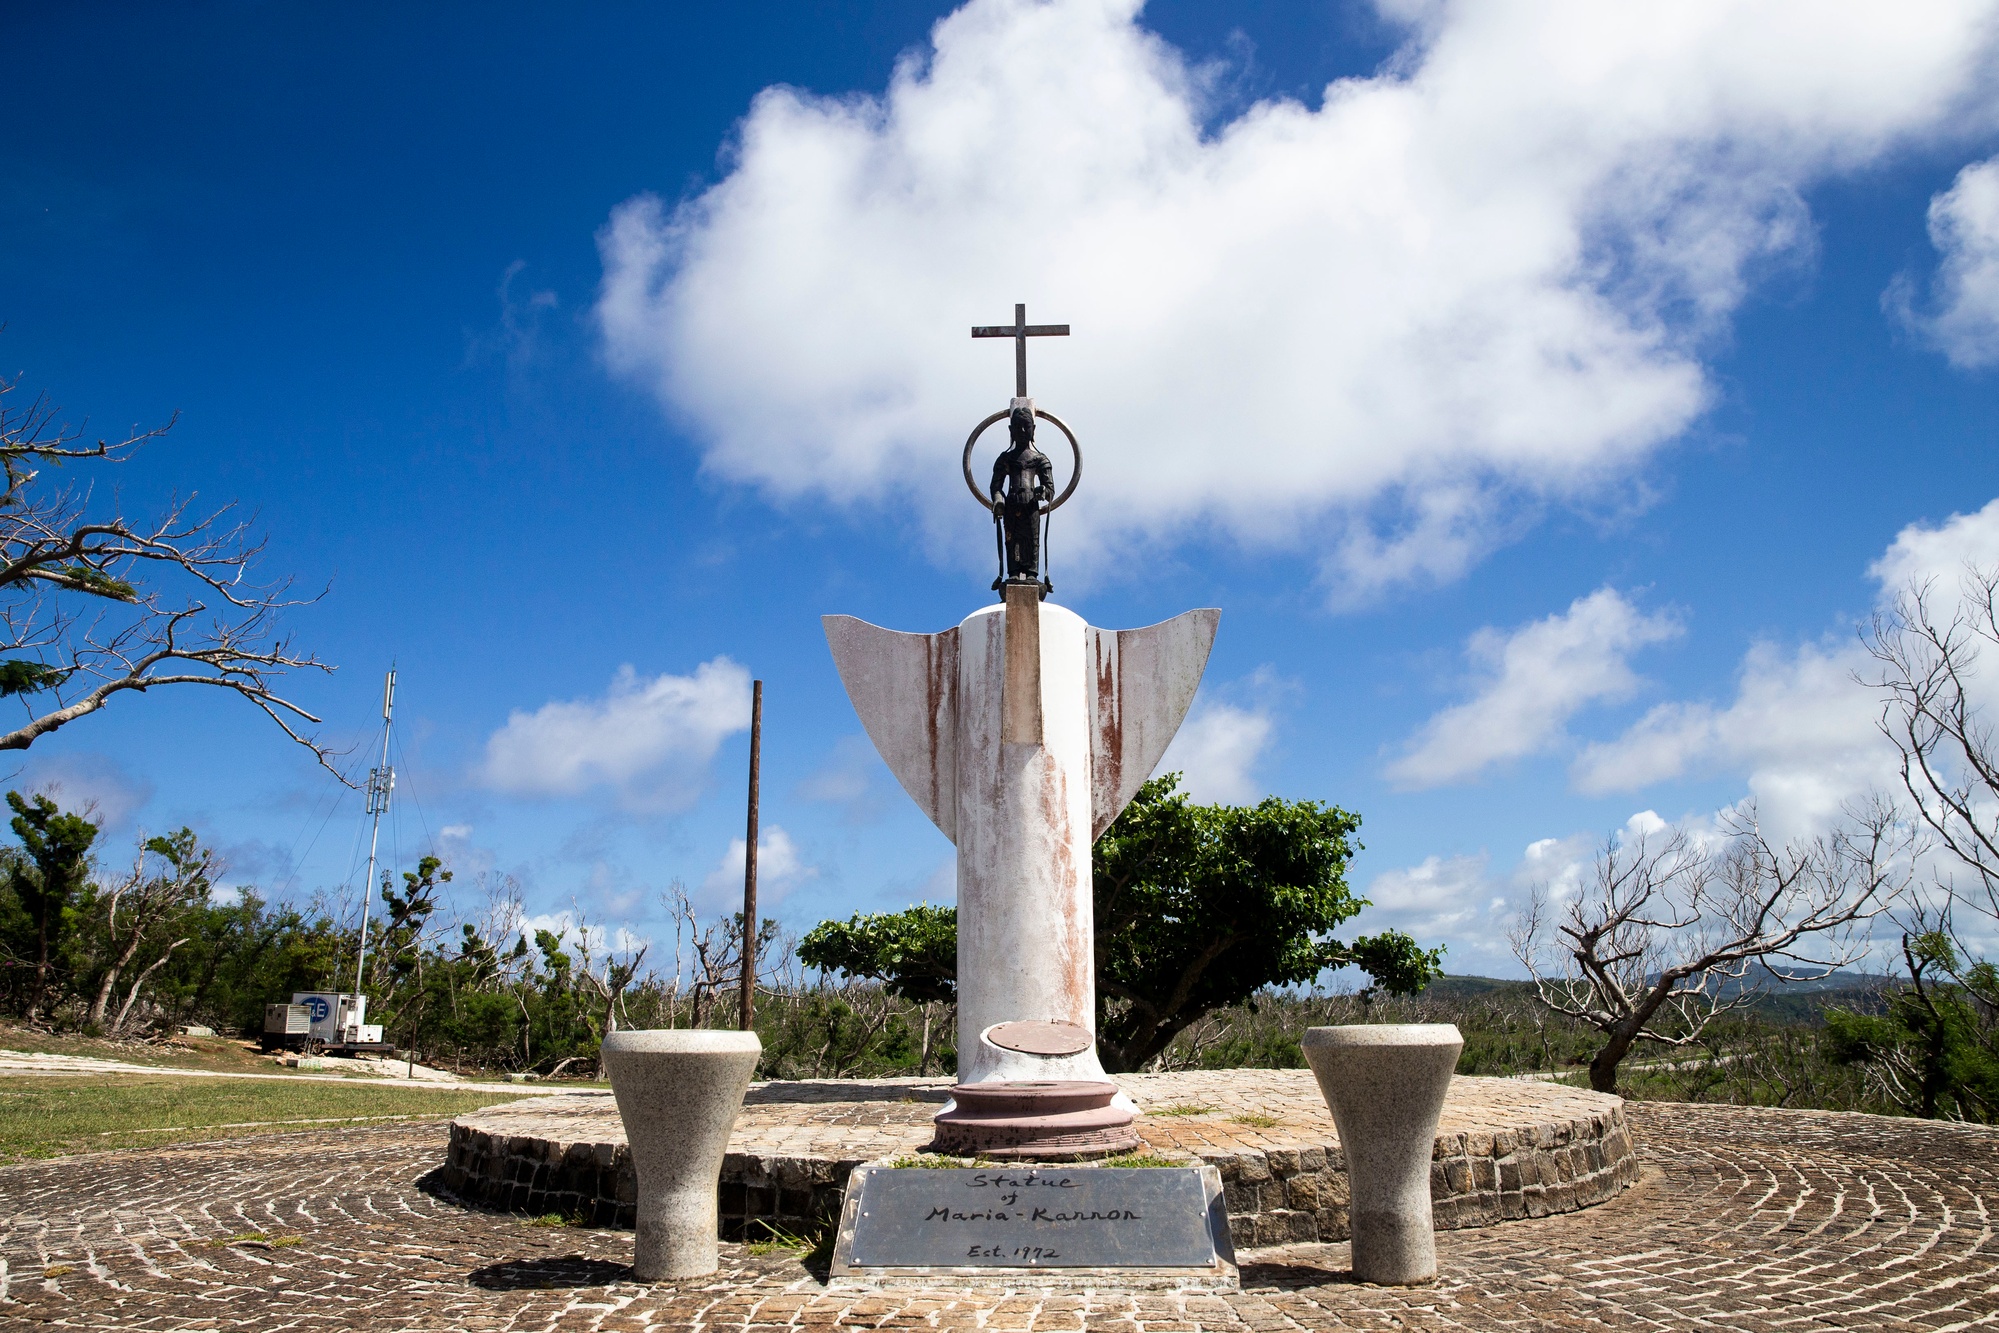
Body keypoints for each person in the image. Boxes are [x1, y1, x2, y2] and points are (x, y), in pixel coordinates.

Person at [989, 403, 1054, 586]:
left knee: (1032, 539)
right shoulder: (1006, 458)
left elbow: (1050, 488)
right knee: (1012, 539)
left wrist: (1043, 491)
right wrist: (998, 500)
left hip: (1031, 505)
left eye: (1027, 426)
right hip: (1012, 504)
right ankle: (1014, 573)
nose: (1023, 430)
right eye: (1018, 427)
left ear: (1034, 429)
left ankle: (1032, 573)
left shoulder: (1040, 459)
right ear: (1011, 429)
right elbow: (995, 486)